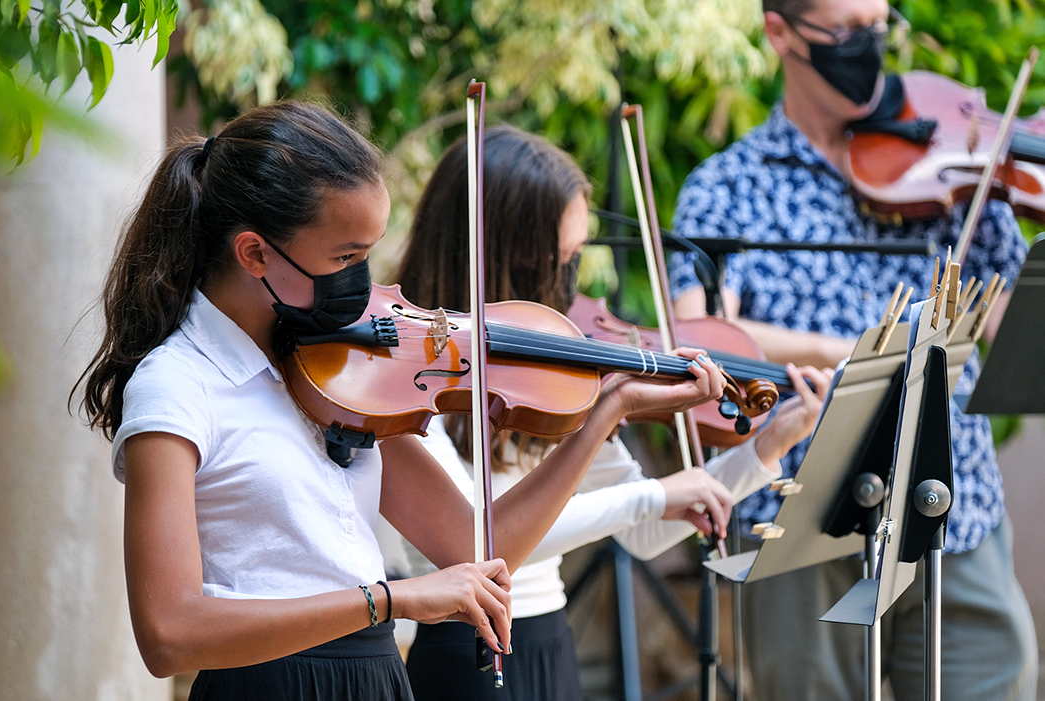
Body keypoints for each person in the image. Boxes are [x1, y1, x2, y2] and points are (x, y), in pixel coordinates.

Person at [72, 101, 734, 701]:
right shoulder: (177, 383)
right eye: (346, 256)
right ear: (254, 253)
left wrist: (602, 414)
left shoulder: (340, 372)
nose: (367, 284)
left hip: (376, 678)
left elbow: (480, 543)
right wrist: (390, 599)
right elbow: (169, 632)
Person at [668, 1, 1039, 699]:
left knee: (1001, 677)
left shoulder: (953, 165)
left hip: (952, 496)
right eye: (847, 32)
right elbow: (702, 336)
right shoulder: (728, 187)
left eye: (879, 26)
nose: (869, 48)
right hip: (805, 503)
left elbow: (1015, 326)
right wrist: (850, 352)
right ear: (780, 33)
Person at [394, 125, 832, 701]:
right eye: (563, 260)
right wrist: (647, 483)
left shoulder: (550, 375)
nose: (568, 287)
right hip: (457, 653)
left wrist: (767, 446)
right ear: (509, 256)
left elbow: (648, 533)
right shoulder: (406, 370)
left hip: (549, 637)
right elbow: (478, 540)